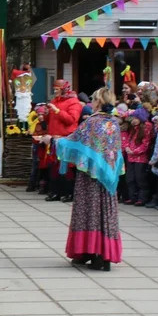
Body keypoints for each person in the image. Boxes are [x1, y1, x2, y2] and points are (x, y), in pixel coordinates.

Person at [54, 87, 124, 271]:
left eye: (93, 99)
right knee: (105, 212)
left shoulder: (91, 123)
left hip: (90, 178)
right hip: (107, 178)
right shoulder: (114, 123)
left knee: (89, 212)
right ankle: (104, 255)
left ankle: (90, 251)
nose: (91, 102)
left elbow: (74, 141)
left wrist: (53, 141)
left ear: (99, 102)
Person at [45, 79, 83, 203]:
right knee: (54, 166)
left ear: (63, 89)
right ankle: (55, 191)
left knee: (67, 166)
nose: (54, 91)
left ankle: (69, 192)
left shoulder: (74, 102)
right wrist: (46, 114)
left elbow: (72, 119)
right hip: (54, 139)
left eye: (57, 89)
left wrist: (57, 111)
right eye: (54, 89)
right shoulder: (54, 101)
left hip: (67, 138)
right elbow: (50, 121)